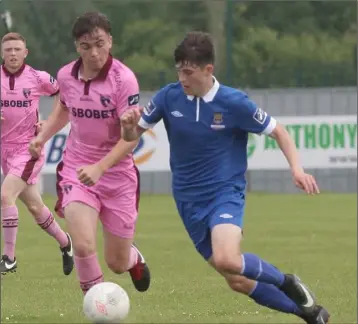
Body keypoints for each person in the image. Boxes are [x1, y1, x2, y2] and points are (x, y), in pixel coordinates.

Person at [120, 31, 330, 324]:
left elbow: (279, 131)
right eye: (179, 70)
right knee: (236, 280)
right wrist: (128, 127)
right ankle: (307, 313)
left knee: (228, 259)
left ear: (209, 69)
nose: (182, 78)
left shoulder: (234, 102)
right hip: (187, 202)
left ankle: (286, 281)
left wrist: (297, 169)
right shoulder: (169, 97)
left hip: (224, 193)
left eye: (189, 71)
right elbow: (132, 136)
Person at [29, 12, 150, 295]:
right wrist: (43, 136)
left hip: (117, 175)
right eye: (86, 46)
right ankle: (96, 306)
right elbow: (65, 109)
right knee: (82, 244)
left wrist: (101, 167)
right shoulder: (65, 76)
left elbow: (130, 139)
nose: (94, 53)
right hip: (77, 167)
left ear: (110, 41)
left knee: (117, 262)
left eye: (100, 43)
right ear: (77, 47)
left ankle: (134, 258)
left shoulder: (124, 80)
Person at [0, 32, 74, 276]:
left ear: (25, 53)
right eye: (8, 49)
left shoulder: (37, 77)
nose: (12, 53)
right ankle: (65, 243)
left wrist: (50, 122)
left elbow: (62, 92)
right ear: (2, 52)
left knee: (5, 195)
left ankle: (8, 258)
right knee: (35, 207)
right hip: (4, 150)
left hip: (28, 148)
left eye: (16, 49)